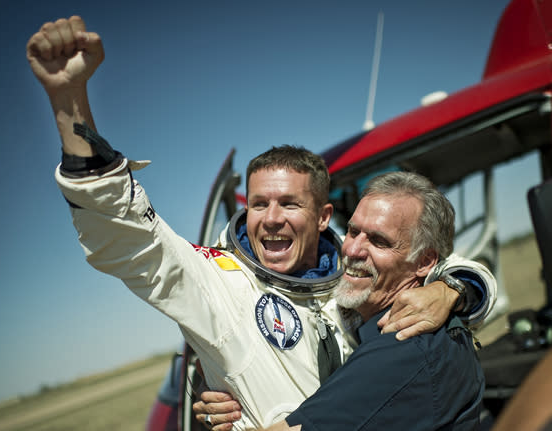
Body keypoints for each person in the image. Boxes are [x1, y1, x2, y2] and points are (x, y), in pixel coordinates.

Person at [26, 16, 496, 430]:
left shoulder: (353, 276)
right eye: (258, 204)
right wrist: (70, 102)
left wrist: (453, 291)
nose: (270, 220)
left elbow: (444, 263)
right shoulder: (216, 283)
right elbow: (127, 235)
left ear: (324, 216)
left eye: (290, 204)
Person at [263, 171, 485, 431]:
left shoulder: (403, 346)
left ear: (424, 262)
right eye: (352, 231)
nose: (352, 250)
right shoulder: (379, 326)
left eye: (379, 242)